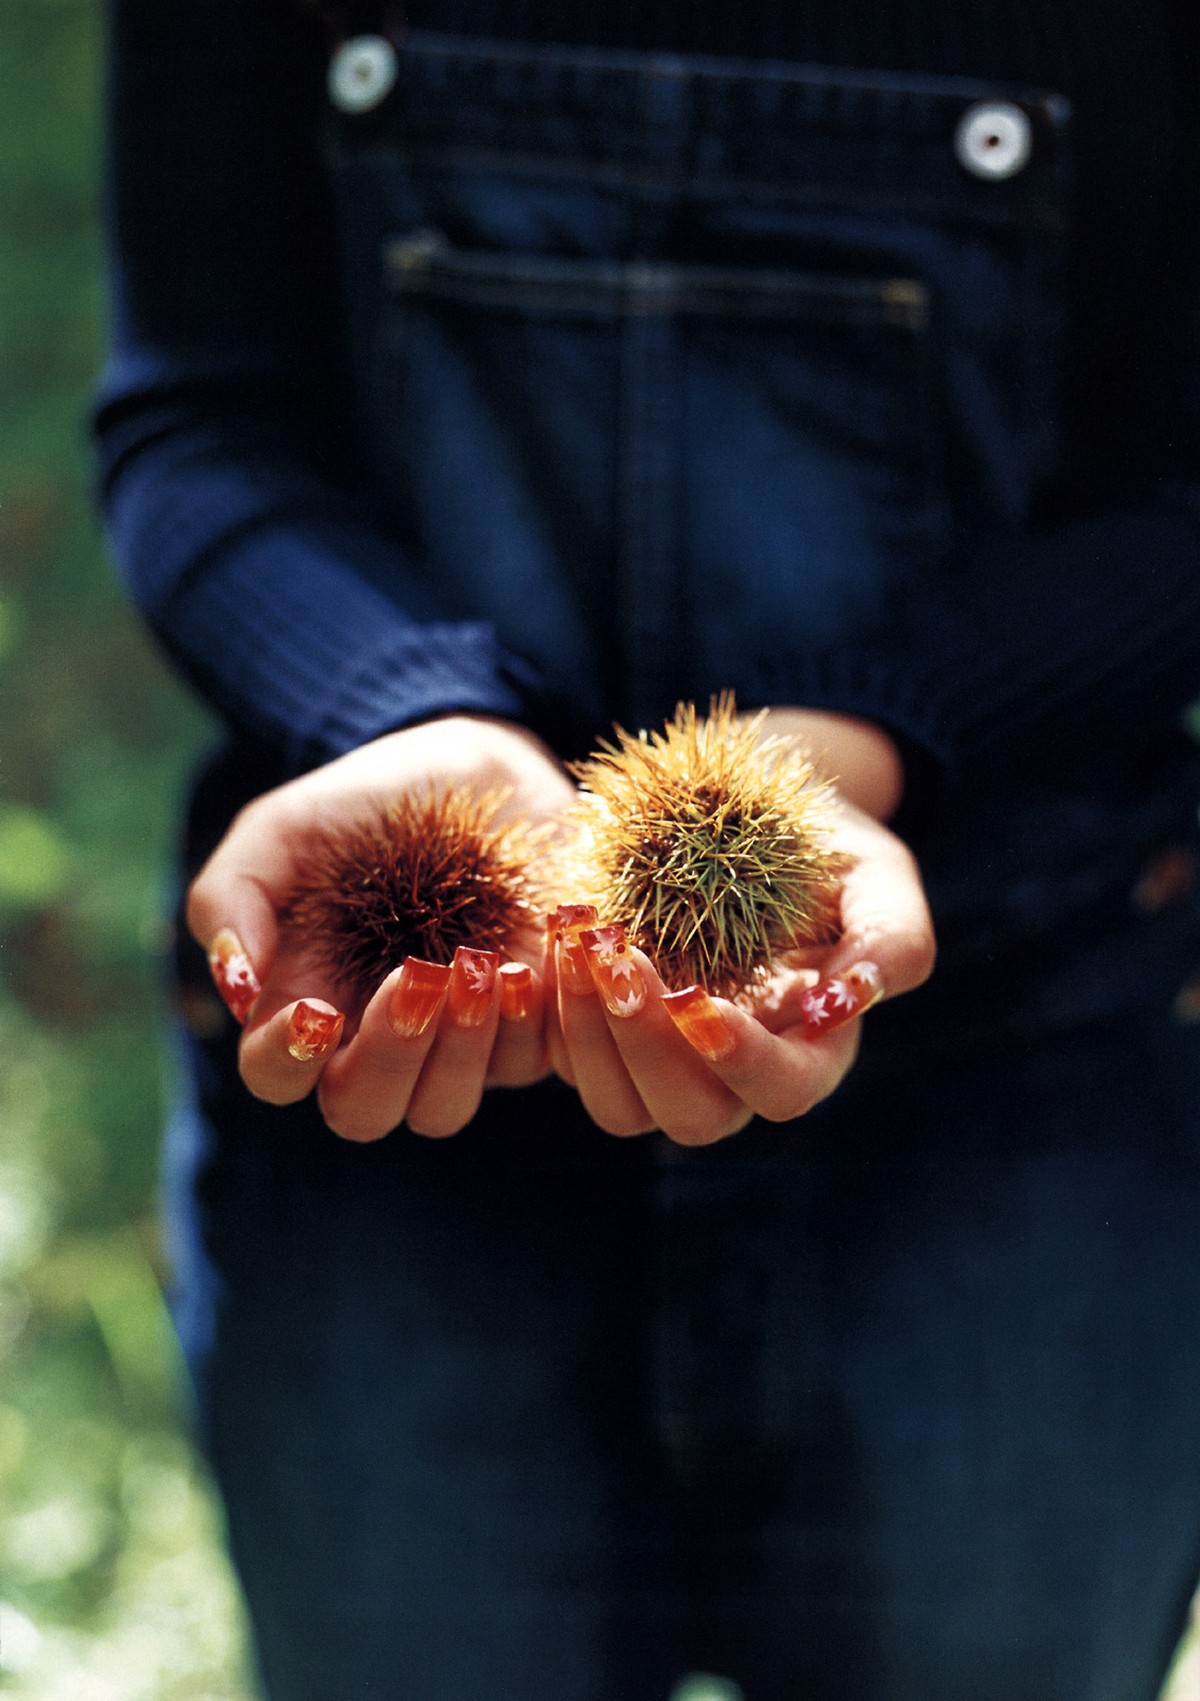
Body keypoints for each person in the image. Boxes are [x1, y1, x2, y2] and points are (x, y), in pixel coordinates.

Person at [96, 2, 1200, 1698]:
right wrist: (415, 724)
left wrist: (863, 736)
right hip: (399, 1166)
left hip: (1025, 1089)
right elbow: (201, 411)